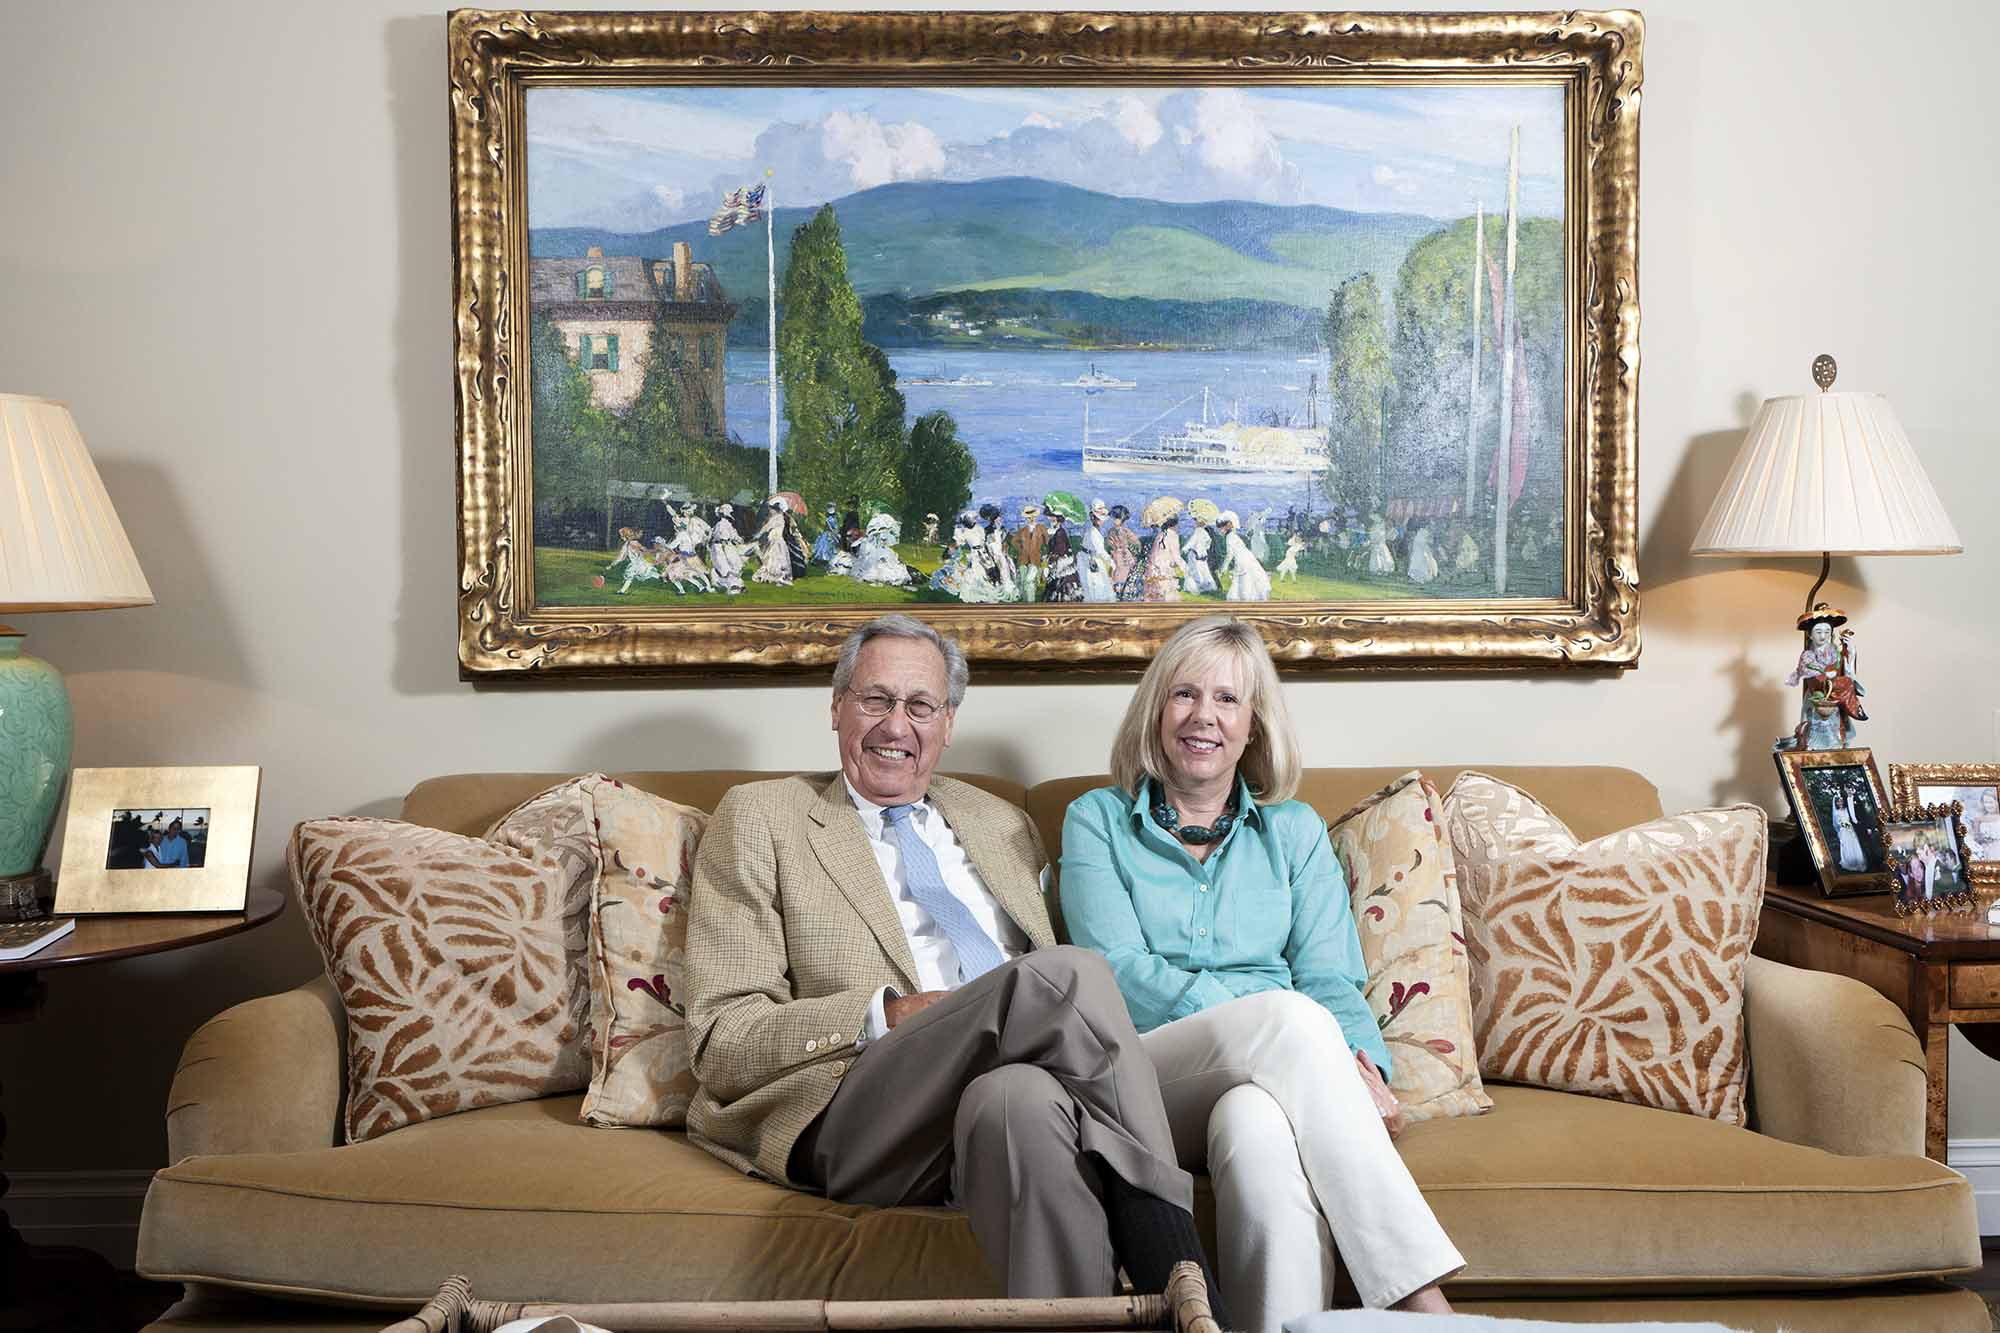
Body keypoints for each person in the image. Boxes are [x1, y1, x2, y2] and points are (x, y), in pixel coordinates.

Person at [684, 617, 1227, 1311]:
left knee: (1020, 1105)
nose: (895, 726)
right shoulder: (763, 816)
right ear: (836, 705)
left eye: (919, 706)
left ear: (948, 723)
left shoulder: (1001, 823)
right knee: (1070, 974)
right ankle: (1182, 1277)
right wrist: (882, 1015)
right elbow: (718, 1039)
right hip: (858, 1107)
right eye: (875, 700)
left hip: (987, 1102)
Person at [1060, 616, 1463, 1330]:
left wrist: (1359, 1062)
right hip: (1143, 1073)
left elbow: (1330, 976)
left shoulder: (1295, 831)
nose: (1202, 716)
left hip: (1272, 1070)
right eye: (1184, 693)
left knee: (1261, 1134)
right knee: (1289, 1018)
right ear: (1155, 712)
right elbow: (1115, 970)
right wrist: (1288, 1023)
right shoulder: (1095, 819)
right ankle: (1420, 1302)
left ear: (1253, 726)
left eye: (1226, 699)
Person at [1783, 605, 1865, 750]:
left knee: (1836, 740)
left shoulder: (1836, 652)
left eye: (1827, 631)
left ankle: (1850, 708)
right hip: (1817, 697)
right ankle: (1854, 707)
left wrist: (1850, 653)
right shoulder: (1808, 654)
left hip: (1835, 700)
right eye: (1818, 632)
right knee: (1815, 738)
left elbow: (1847, 672)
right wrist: (1825, 674)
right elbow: (1806, 669)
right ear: (1810, 635)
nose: (1823, 636)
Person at [1214, 512, 1271, 602]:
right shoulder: (1234, 536)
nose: (1220, 531)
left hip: (1242, 559)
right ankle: (1246, 596)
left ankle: (1244, 596)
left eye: (1221, 528)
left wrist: (1223, 568)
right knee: (1247, 577)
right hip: (1248, 557)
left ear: (1228, 526)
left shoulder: (1230, 537)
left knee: (1244, 578)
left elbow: (1229, 554)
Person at [1079, 500, 1117, 603]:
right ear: (1093, 518)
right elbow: (1100, 551)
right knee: (1095, 586)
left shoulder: (1095, 531)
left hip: (1090, 558)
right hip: (1088, 560)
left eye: (1101, 519)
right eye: (1098, 519)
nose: (1101, 521)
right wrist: (1112, 563)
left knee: (1101, 584)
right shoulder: (1093, 532)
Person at [1143, 514, 1184, 602]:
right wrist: (1185, 568)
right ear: (1175, 524)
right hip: (1165, 568)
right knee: (1167, 594)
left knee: (1155, 594)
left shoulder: (1160, 535)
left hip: (1153, 568)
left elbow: (1155, 554)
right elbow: (1176, 555)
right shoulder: (1173, 535)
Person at [752, 500, 794, 586]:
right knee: (774, 559)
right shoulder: (779, 517)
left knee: (774, 559)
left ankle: (778, 576)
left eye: (771, 509)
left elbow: (766, 528)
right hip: (774, 541)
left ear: (775, 510)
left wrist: (757, 535)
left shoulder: (776, 518)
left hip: (776, 542)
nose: (770, 511)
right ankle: (777, 576)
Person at [1106, 504, 1142, 599]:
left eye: (1116, 518)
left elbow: (1137, 543)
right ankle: (1117, 593)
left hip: (1125, 556)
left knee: (1124, 575)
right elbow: (1108, 544)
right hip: (1115, 555)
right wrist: (1113, 547)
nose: (1114, 520)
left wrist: (1128, 549)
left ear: (1122, 519)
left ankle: (1124, 593)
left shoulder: (1126, 531)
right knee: (1114, 573)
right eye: (1113, 518)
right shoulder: (1111, 531)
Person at [1831, 788, 1867, 873]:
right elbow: (1838, 823)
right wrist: (1846, 825)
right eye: (1838, 801)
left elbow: (1850, 817)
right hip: (1844, 831)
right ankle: (1850, 863)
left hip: (1851, 830)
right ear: (1836, 803)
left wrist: (1850, 825)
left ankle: (1859, 862)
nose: (1840, 803)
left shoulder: (1846, 809)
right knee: (1847, 846)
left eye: (1841, 801)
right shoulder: (1836, 813)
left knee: (1855, 844)